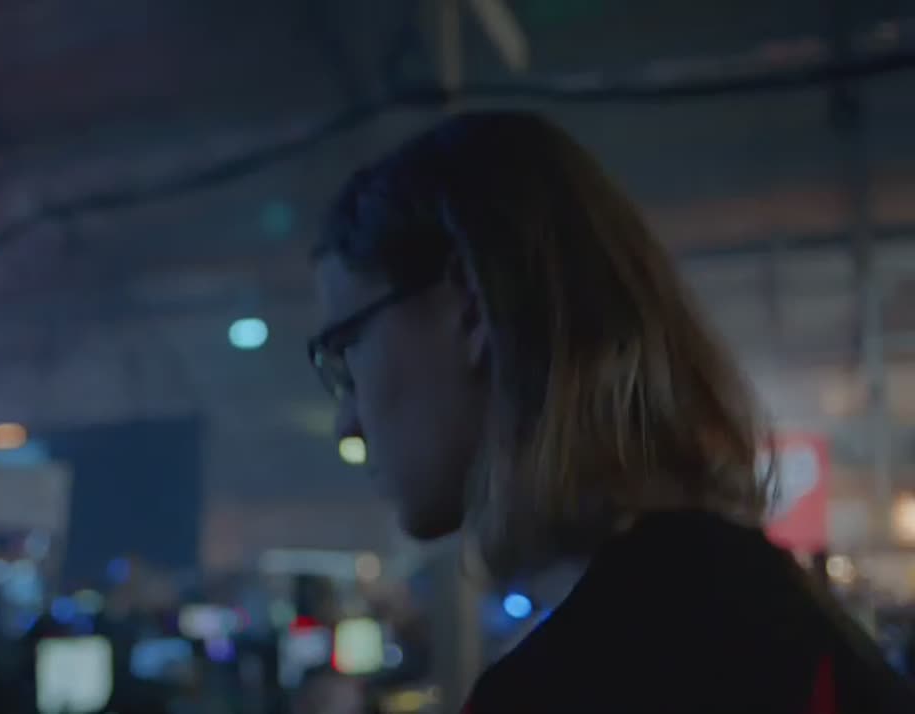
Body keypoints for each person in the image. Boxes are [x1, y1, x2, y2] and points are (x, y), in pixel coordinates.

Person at [307, 111, 915, 713]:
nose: (347, 423)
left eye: (345, 354)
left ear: (468, 305)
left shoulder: (564, 689)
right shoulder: (781, 617)